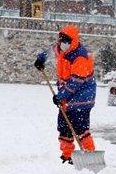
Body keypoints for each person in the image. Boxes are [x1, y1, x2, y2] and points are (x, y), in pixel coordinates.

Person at [34, 25, 97, 164]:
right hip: (67, 98)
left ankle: (90, 156)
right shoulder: (62, 50)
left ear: (72, 41)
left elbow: (76, 81)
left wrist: (61, 96)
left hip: (82, 98)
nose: (62, 44)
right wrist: (41, 59)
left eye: (65, 41)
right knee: (64, 126)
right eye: (61, 41)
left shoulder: (80, 56)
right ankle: (67, 155)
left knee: (80, 128)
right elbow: (50, 52)